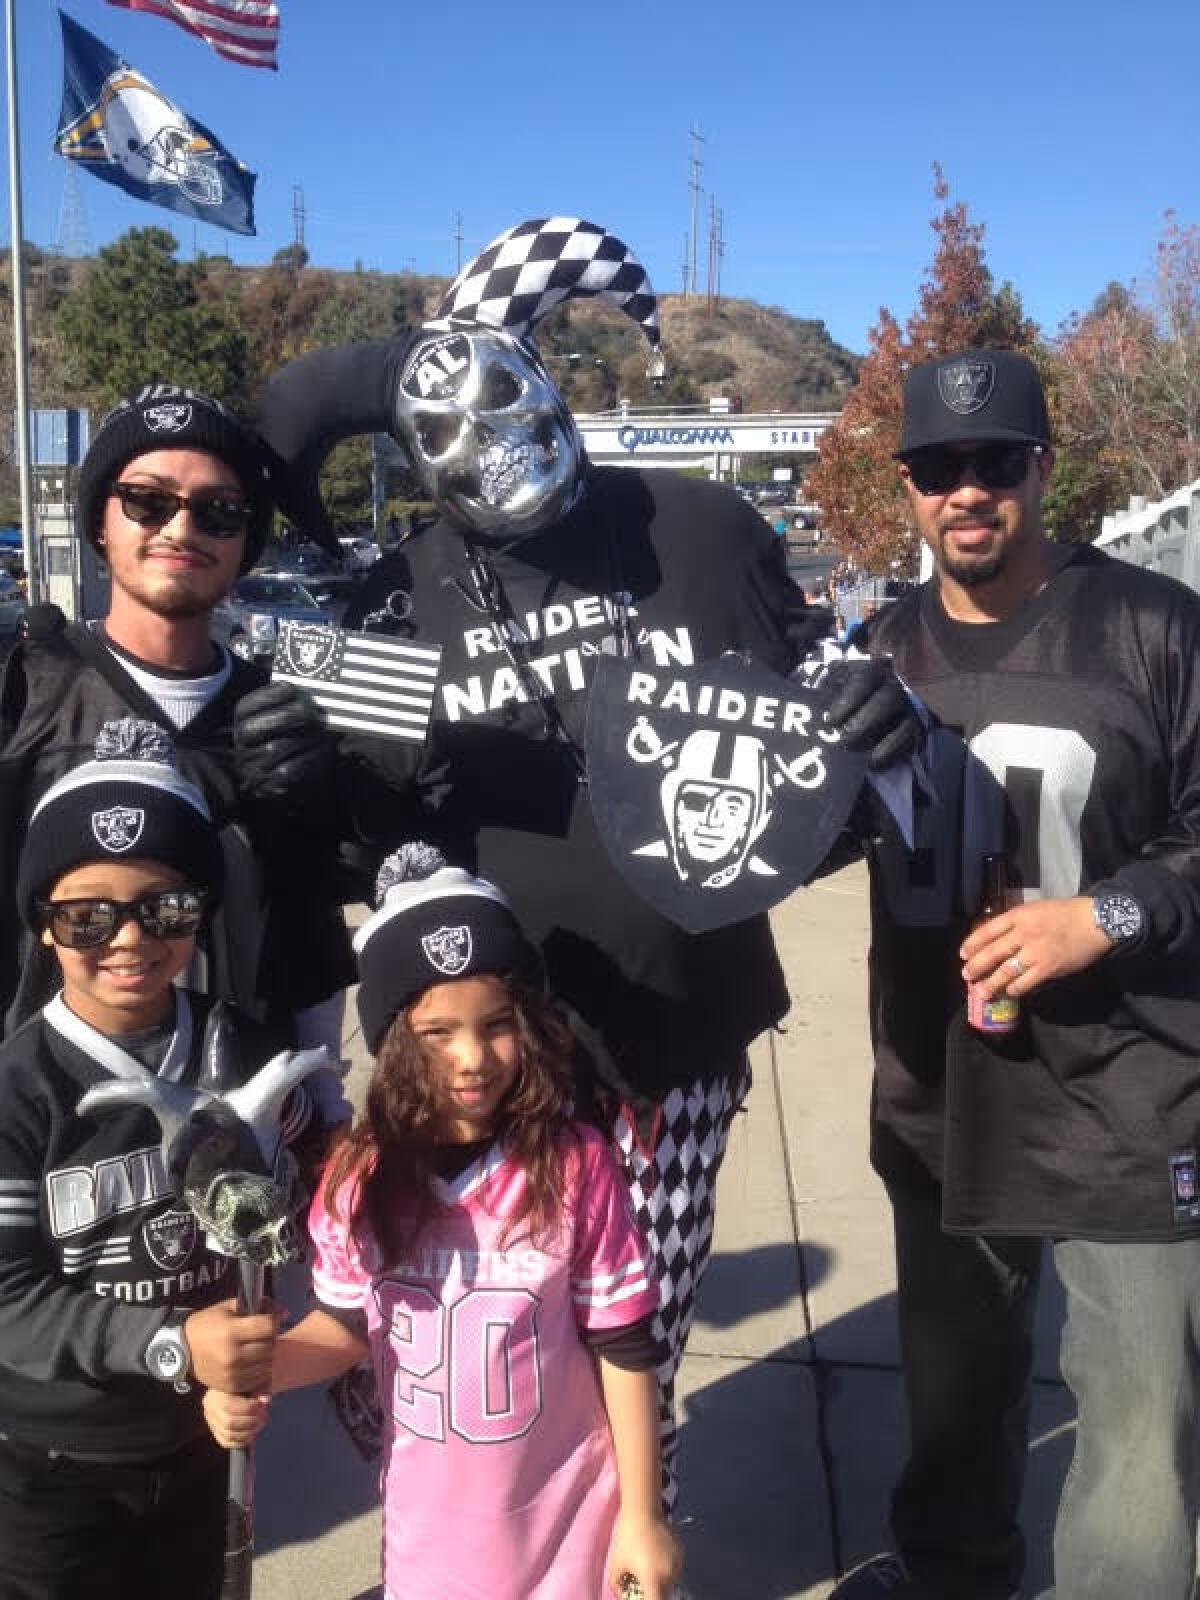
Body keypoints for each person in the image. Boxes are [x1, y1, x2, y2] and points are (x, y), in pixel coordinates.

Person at [256, 215, 918, 1510]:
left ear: (559, 401)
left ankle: (622, 1559)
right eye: (451, 428)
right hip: (475, 1066)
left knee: (633, 1364)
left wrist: (871, 755)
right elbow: (357, 832)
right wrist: (298, 762)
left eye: (514, 405)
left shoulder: (703, 531)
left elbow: (806, 778)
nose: (500, 451)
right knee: (436, 1380)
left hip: (672, 1046)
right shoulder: (400, 600)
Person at [831, 349, 1200, 1600]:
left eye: (998, 463)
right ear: (910, 487)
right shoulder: (877, 651)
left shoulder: (1155, 626)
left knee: (1141, 1438)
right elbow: (784, 830)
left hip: (1131, 1092)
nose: (969, 491)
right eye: (941, 467)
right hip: (945, 1092)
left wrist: (1104, 914)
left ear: (1043, 467)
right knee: (952, 1414)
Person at [203, 843, 683, 1600]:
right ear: (394, 1041)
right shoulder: (358, 1182)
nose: (472, 1058)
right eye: (437, 1034)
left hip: (569, 1523)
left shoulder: (576, 1165)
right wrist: (257, 1368)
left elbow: (625, 1346)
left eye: (496, 1025)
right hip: (431, 1538)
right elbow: (343, 1329)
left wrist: (642, 1514)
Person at [0, 717, 343, 1600]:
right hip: (49, 1467)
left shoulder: (245, 1053)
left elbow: (322, 1176)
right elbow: (6, 1296)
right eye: (87, 915)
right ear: (43, 926)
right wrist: (175, 1343)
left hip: (202, 1439)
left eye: (167, 907)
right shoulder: (17, 1087)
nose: (128, 937)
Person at [0, 384, 355, 1059]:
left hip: (248, 1115)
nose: (181, 529)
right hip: (54, 1133)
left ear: (246, 539)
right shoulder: (25, 696)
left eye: (219, 511)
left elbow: (312, 937)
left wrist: (324, 1104)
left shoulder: (285, 716)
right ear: (100, 521)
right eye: (147, 501)